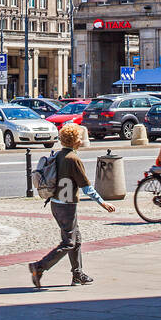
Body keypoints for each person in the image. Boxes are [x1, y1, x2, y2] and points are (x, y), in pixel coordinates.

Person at [29, 123, 115, 289]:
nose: (82, 140)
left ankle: (78, 274)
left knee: (76, 239)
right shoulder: (73, 159)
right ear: (75, 140)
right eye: (80, 137)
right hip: (66, 206)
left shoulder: (60, 155)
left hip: (56, 203)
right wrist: (102, 202)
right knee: (69, 242)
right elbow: (86, 187)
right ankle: (39, 267)